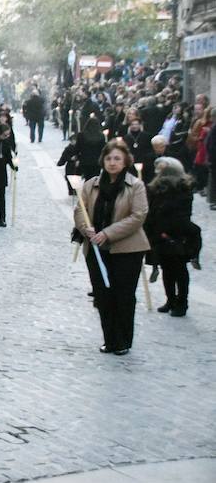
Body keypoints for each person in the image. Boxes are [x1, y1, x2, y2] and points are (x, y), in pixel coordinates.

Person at [74, 139, 150, 356]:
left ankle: (123, 340)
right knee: (103, 295)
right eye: (108, 158)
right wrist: (85, 228)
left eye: (117, 158)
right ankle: (110, 339)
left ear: (125, 160)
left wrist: (107, 233)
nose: (112, 163)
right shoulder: (91, 184)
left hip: (127, 250)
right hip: (97, 250)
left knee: (123, 295)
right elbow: (80, 208)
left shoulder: (135, 186)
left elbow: (138, 216)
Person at [145, 157, 196, 317]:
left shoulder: (182, 188)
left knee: (180, 270)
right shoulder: (156, 188)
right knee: (166, 268)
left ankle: (182, 302)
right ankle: (171, 300)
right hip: (160, 233)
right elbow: (152, 209)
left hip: (177, 234)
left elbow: (181, 212)